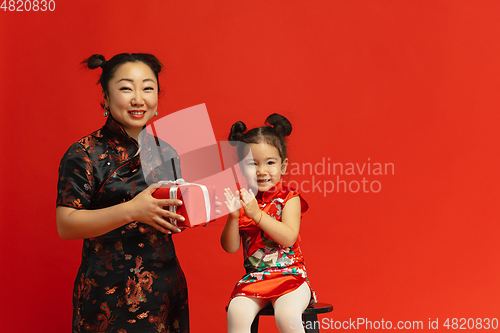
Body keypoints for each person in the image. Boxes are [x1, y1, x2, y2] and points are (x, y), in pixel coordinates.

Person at [56, 53, 189, 333]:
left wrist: (197, 211)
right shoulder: (84, 153)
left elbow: (170, 215)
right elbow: (66, 224)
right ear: (105, 96)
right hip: (107, 295)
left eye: (148, 88)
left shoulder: (168, 151)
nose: (138, 99)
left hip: (166, 288)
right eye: (126, 88)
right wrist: (132, 210)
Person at [221, 114, 317, 333]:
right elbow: (230, 247)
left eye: (270, 163)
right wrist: (233, 217)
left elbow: (288, 237)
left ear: (283, 167)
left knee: (286, 315)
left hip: (291, 276)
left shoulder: (289, 198)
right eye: (252, 164)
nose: (261, 171)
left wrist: (257, 215)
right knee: (237, 311)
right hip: (254, 278)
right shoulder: (243, 199)